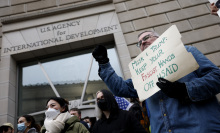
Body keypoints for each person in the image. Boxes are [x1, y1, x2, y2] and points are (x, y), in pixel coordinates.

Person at [92, 30, 220, 132]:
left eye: (146, 37)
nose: (142, 42)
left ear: (160, 38)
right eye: (139, 43)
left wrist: (185, 89)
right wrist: (104, 64)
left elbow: (217, 77)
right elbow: (121, 88)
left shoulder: (186, 51)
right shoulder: (144, 74)